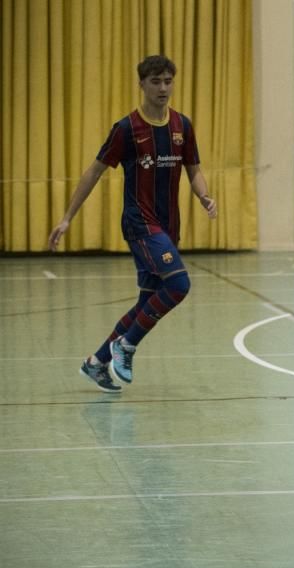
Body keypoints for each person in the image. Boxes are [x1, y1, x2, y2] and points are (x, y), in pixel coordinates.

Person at [48, 55, 217, 392]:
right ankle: (125, 347)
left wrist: (204, 196)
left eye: (168, 81)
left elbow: (193, 169)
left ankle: (97, 363)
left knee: (147, 301)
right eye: (156, 81)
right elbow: (93, 172)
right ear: (142, 84)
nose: (163, 88)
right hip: (140, 224)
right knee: (179, 285)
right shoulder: (127, 129)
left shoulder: (182, 125)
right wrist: (67, 217)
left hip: (168, 226)